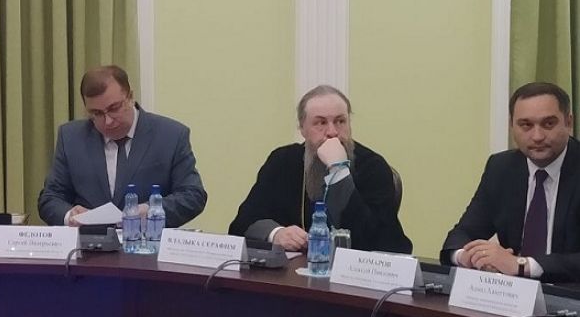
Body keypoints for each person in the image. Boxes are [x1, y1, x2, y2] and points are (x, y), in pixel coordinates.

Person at [229, 84, 411, 253]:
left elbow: (382, 242)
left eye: (340, 121)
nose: (332, 132)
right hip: (289, 273)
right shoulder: (283, 161)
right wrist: (275, 234)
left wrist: (339, 173)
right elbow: (242, 224)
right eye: (321, 123)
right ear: (302, 128)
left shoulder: (373, 166)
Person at [441, 81, 580, 282]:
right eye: (526, 125)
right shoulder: (502, 168)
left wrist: (523, 265)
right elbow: (462, 234)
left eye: (548, 124)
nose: (537, 136)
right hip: (511, 295)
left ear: (568, 123)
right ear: (511, 125)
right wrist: (470, 257)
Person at [37, 65, 207, 227]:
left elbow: (193, 196)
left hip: (148, 242)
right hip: (88, 243)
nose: (108, 121)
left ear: (130, 97)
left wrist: (151, 210)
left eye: (114, 108)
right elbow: (50, 198)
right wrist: (70, 216)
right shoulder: (71, 138)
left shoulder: (170, 136)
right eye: (96, 113)